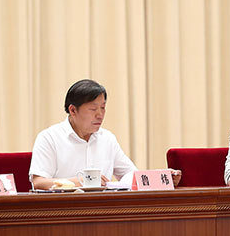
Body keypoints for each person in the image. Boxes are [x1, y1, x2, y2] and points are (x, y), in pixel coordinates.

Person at [29, 79, 180, 190]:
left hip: (103, 211)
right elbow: (38, 182)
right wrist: (80, 181)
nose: (100, 115)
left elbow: (130, 174)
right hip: (62, 211)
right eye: (93, 109)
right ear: (73, 110)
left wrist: (161, 177)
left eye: (103, 108)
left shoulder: (107, 139)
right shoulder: (49, 138)